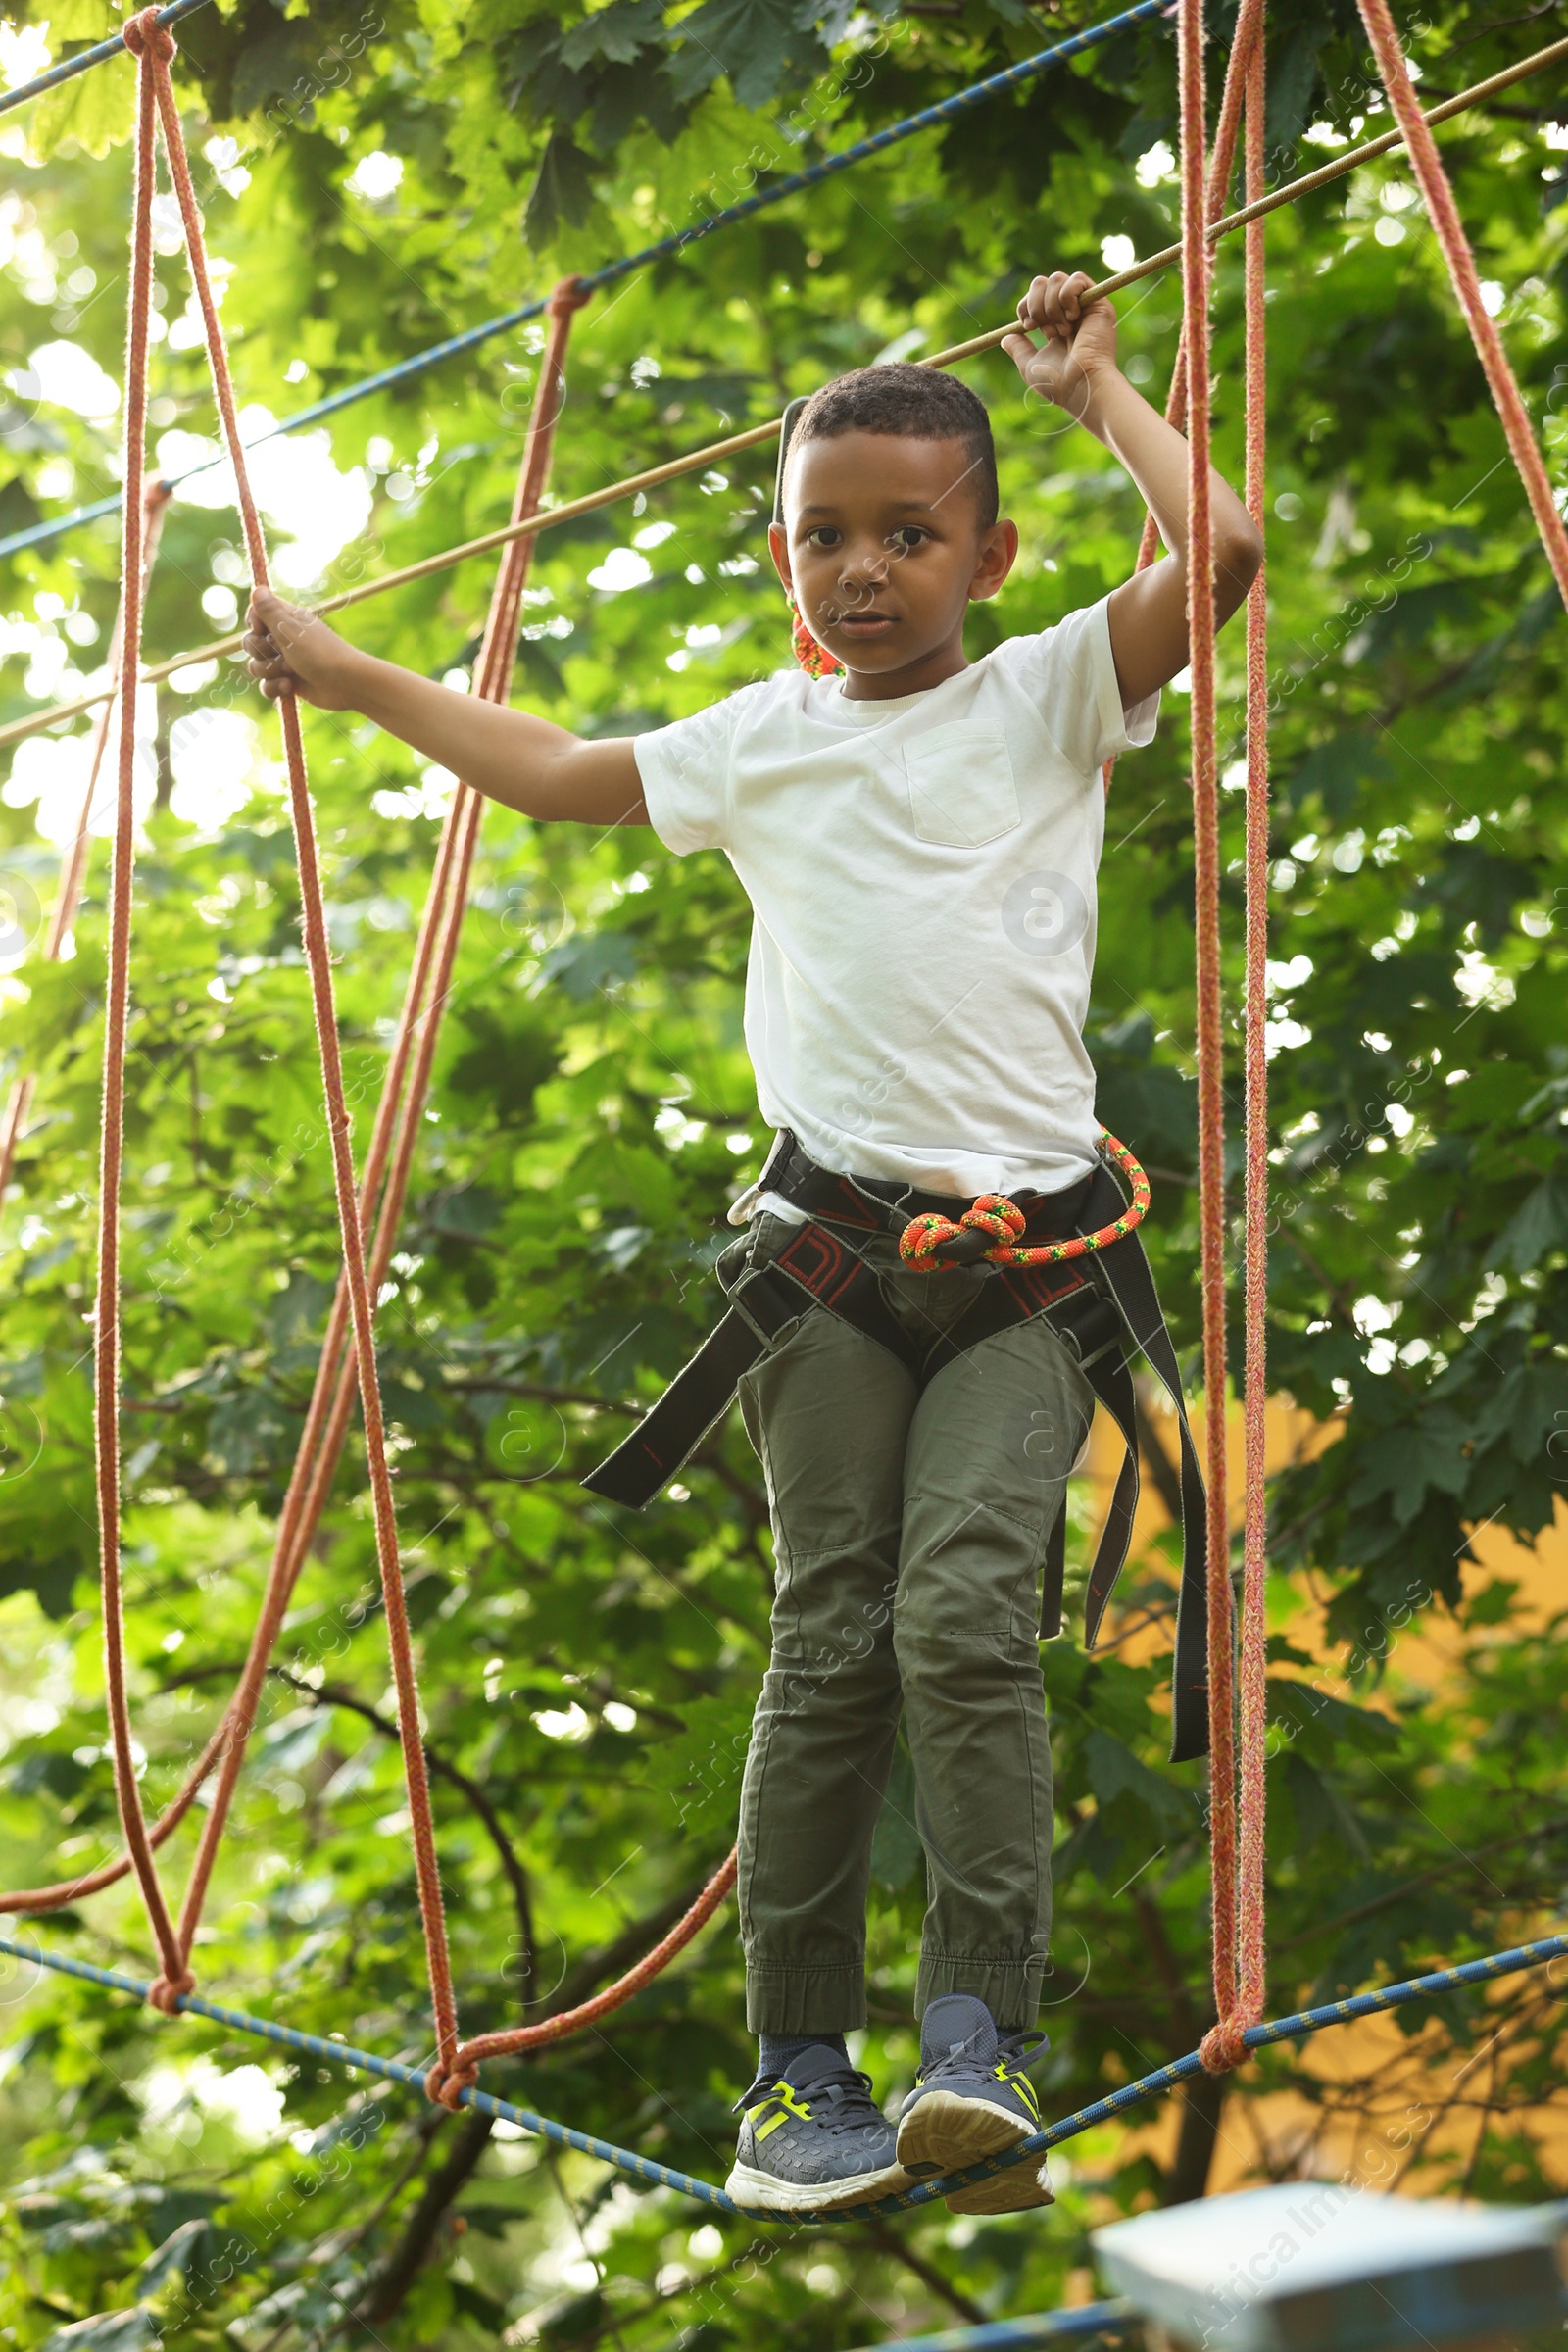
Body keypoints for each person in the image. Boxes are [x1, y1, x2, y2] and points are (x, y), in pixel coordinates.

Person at [245, 270, 1262, 2219]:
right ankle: (799, 2076)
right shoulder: (756, 740)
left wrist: (1092, 389)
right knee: (830, 1637)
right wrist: (347, 667)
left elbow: (1208, 545)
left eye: (907, 532)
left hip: (1027, 1280)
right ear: (779, 550)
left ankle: (973, 2048)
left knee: (966, 1619)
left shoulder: (1051, 691)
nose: (861, 570)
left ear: (988, 549)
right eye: (822, 535)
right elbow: (548, 770)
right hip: (822, 1270)